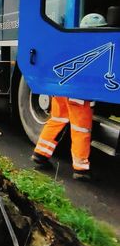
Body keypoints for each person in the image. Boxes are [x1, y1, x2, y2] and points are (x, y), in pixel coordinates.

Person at [31, 13, 106, 180]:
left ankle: (40, 154)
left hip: (60, 91)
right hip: (79, 93)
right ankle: (81, 169)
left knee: (57, 120)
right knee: (81, 129)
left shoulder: (70, 40)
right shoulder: (96, 45)